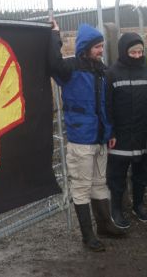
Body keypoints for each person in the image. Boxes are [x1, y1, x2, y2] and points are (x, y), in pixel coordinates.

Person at [48, 21, 125, 252]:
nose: (101, 50)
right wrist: (54, 36)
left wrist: (110, 132)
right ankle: (87, 235)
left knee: (100, 183)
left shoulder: (102, 71)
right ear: (86, 47)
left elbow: (106, 106)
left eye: (102, 46)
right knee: (81, 187)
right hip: (81, 139)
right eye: (97, 47)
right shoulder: (70, 68)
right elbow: (52, 63)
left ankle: (104, 226)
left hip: (101, 138)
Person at [105, 32, 147, 228]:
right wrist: (110, 132)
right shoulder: (112, 74)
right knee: (116, 175)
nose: (136, 55)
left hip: (143, 134)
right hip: (120, 136)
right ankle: (116, 208)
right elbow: (107, 106)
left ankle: (138, 205)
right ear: (123, 51)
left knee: (141, 173)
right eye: (132, 52)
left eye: (140, 52)